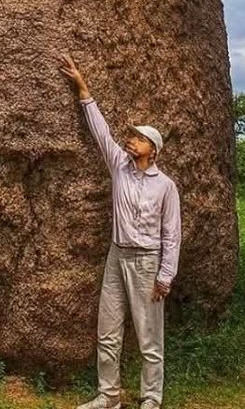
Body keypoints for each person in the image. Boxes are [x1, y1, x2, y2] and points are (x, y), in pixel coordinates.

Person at [59, 54, 181, 409]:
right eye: (130, 136)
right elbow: (99, 130)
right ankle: (108, 396)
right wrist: (82, 86)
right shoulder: (119, 167)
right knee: (107, 330)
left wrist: (165, 276)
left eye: (139, 139)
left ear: (153, 151)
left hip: (147, 262)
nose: (130, 141)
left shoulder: (165, 187)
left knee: (149, 336)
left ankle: (151, 399)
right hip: (117, 256)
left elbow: (172, 234)